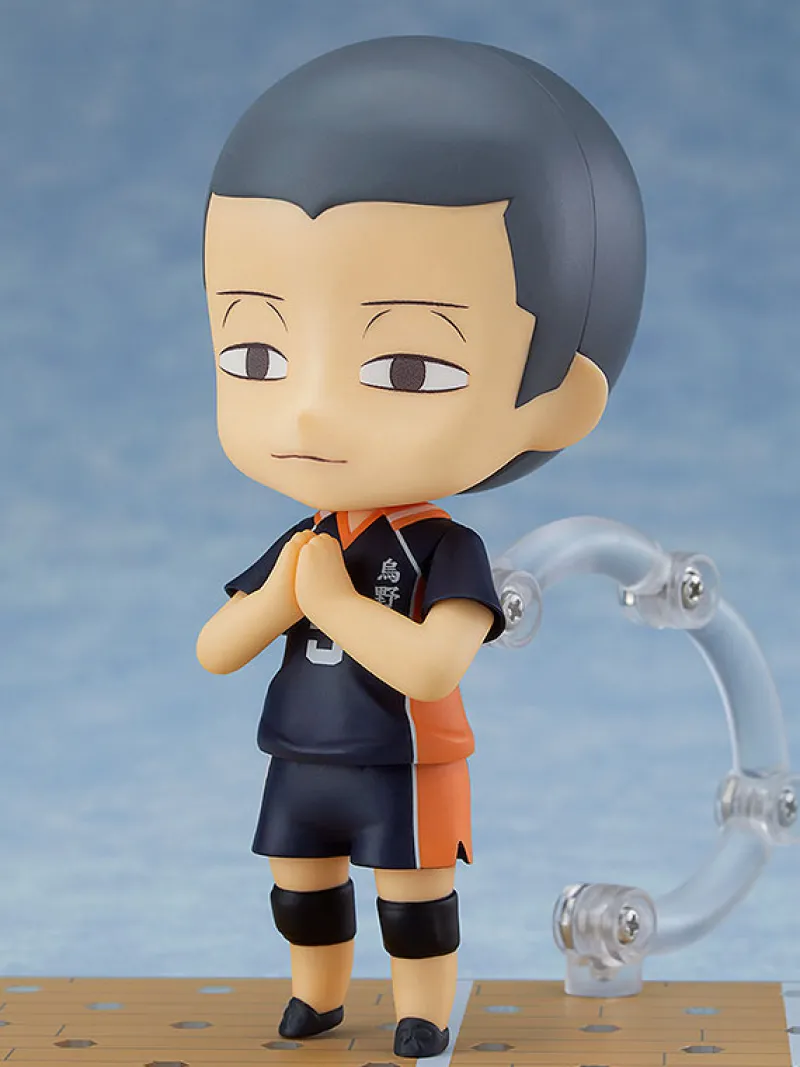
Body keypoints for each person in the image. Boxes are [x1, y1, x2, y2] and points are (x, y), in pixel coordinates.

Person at [196, 35, 646, 1059]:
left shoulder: (444, 546)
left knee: (411, 895)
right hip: (300, 750)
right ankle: (316, 995)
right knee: (301, 885)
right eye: (255, 351)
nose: (308, 408)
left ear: (552, 398)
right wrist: (276, 601)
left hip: (405, 759)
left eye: (406, 366)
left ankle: (422, 1007)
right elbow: (215, 648)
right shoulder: (307, 538)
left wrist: (333, 606)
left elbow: (436, 665)